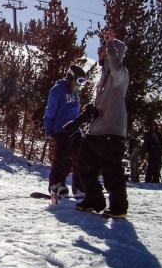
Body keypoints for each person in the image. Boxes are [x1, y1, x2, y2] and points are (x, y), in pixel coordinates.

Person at [75, 29, 130, 219]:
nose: (99, 52)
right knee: (83, 164)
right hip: (97, 130)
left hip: (112, 131)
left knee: (111, 170)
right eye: (100, 49)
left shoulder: (120, 74)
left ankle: (119, 207)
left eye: (103, 49)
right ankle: (94, 199)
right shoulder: (104, 78)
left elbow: (115, 65)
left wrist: (110, 44)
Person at [43, 64, 87, 198]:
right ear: (70, 78)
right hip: (61, 129)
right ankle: (56, 184)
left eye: (83, 82)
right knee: (62, 158)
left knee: (81, 157)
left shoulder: (76, 92)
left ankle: (80, 186)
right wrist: (49, 128)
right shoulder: (57, 90)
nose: (80, 85)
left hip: (75, 129)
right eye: (79, 81)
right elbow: (50, 110)